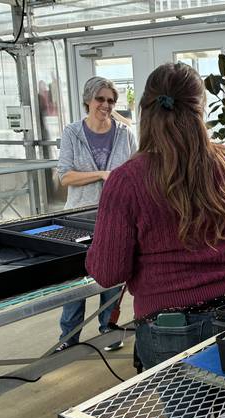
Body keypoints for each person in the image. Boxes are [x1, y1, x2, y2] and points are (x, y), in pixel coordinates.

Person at [85, 62, 225, 370]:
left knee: (187, 404)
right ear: (201, 108)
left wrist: (96, 248)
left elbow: (108, 272)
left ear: (146, 110)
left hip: (169, 324)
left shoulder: (127, 179)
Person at [55, 76, 137, 352]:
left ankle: (108, 329)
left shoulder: (125, 134)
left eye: (111, 100)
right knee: (75, 280)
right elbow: (65, 177)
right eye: (100, 99)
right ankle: (69, 337)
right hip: (79, 218)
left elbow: (136, 171)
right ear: (88, 100)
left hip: (115, 217)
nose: (106, 105)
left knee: (112, 274)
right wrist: (101, 174)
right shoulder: (72, 133)